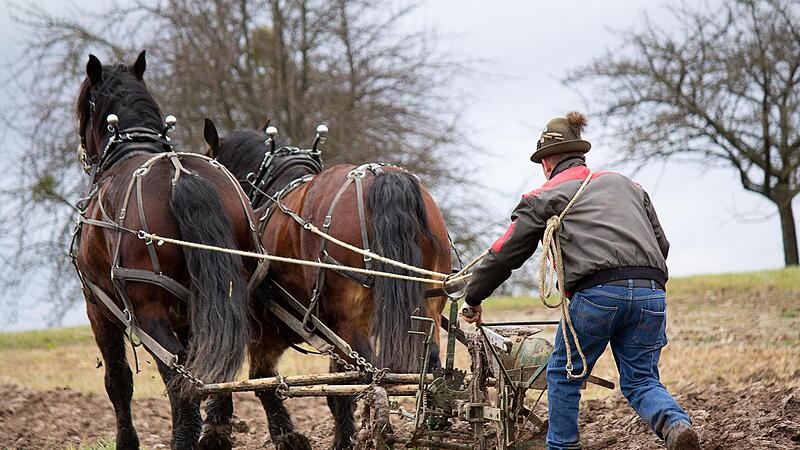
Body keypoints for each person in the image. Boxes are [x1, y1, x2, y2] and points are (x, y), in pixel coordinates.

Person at [460, 112, 699, 450]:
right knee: (642, 379)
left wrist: (473, 298)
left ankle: (562, 446)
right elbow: (661, 245)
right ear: (580, 154)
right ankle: (675, 424)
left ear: (546, 163)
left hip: (595, 295)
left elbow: (505, 253)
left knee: (564, 375)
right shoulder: (629, 186)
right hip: (651, 293)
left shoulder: (543, 196)